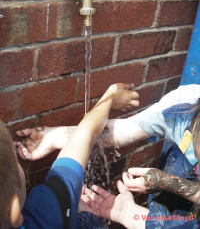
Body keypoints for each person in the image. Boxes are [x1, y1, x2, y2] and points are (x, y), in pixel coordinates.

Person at [15, 84, 200, 228]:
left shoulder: (41, 213)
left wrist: (171, 183)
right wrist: (56, 136)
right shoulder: (185, 105)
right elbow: (120, 131)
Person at [0, 83, 139, 229]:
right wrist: (110, 97)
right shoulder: (45, 211)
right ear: (14, 211)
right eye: (17, 162)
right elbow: (86, 133)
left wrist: (53, 139)